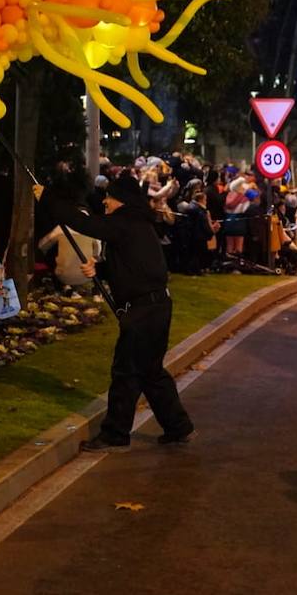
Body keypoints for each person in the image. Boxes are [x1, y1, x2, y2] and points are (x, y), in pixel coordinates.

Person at [38, 174, 194, 452]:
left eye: (109, 197)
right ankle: (177, 426)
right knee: (150, 372)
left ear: (121, 199)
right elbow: (135, 265)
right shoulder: (138, 224)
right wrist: (101, 269)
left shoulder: (124, 223)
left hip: (143, 311)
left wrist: (47, 198)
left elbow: (83, 223)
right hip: (157, 307)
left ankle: (115, 433)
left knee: (126, 372)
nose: (105, 202)